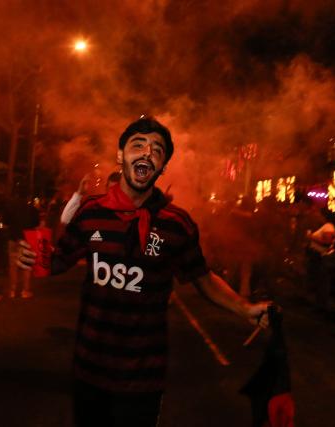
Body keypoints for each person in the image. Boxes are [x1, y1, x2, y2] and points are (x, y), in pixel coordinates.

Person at [15, 116, 270, 426]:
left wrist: (245, 309)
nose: (148, 153)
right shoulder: (90, 212)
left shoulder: (177, 223)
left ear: (162, 167)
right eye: (138, 145)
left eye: (157, 150)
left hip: (143, 378)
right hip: (89, 370)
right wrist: (31, 256)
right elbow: (58, 260)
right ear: (120, 155)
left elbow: (202, 278)